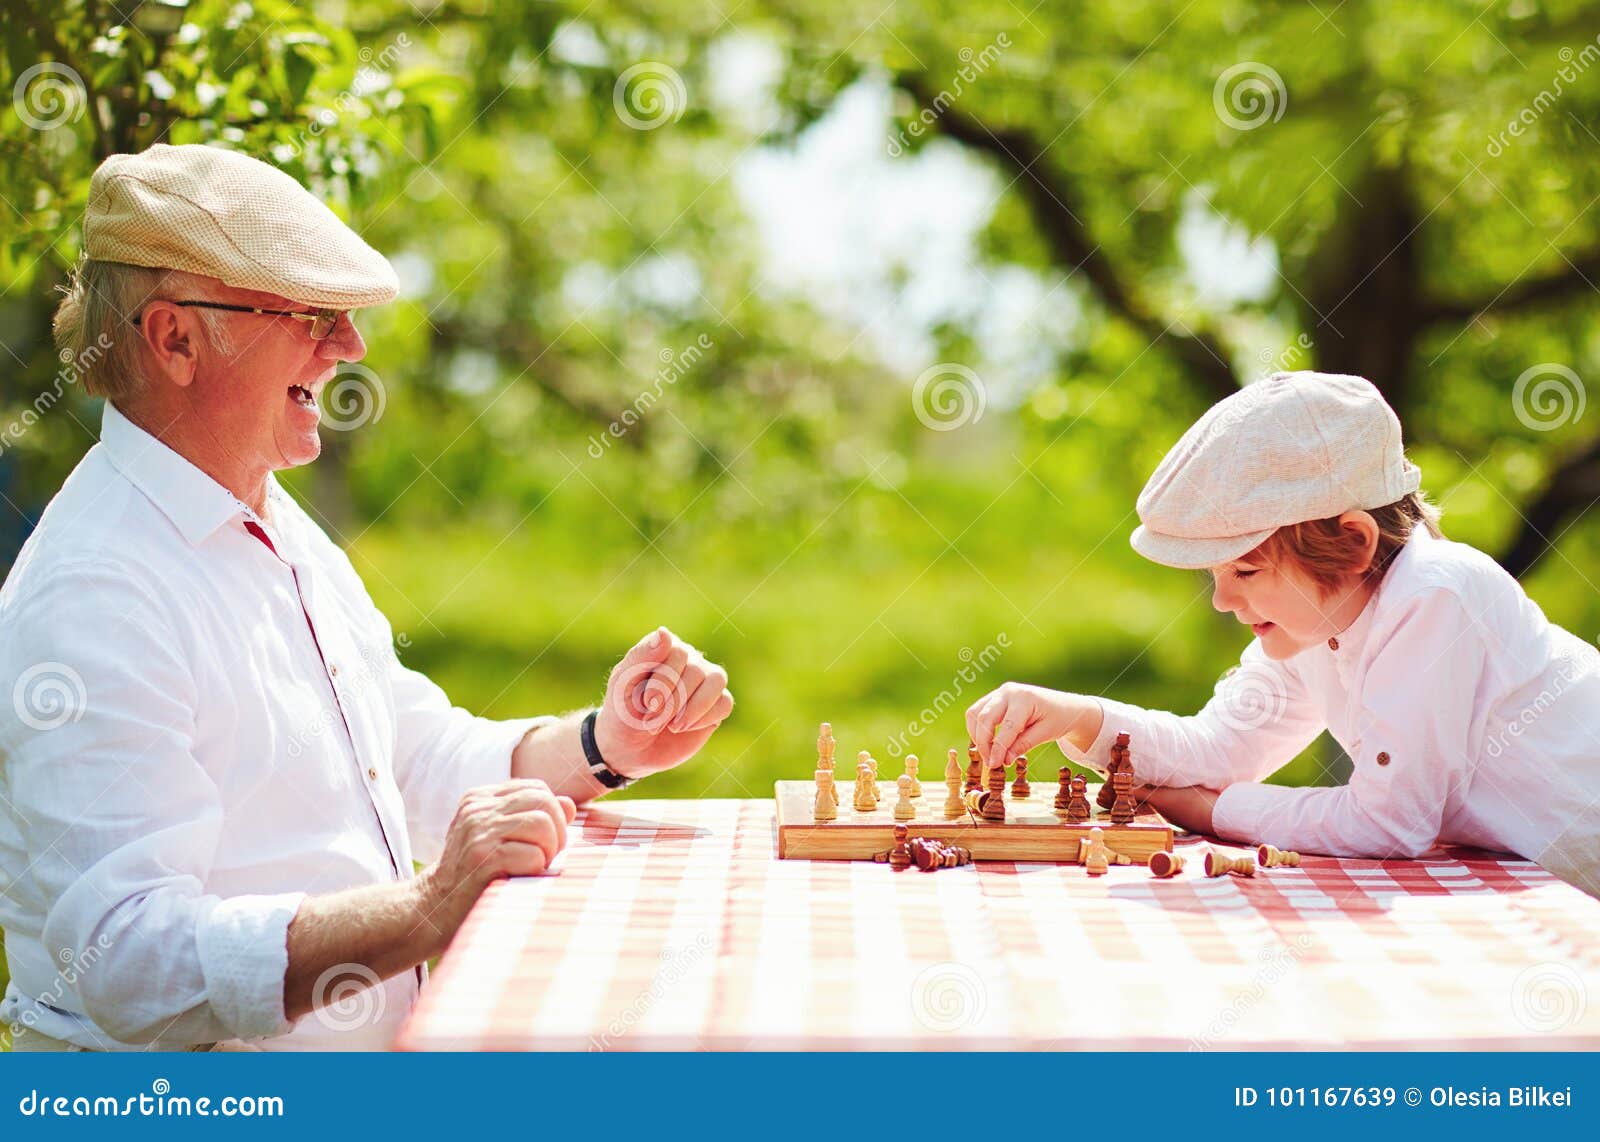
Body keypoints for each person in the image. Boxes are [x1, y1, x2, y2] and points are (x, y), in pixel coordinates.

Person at [0, 144, 734, 1050]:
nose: (348, 344)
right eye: (309, 313)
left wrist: (603, 743)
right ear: (175, 338)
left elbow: (412, 758)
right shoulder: (98, 590)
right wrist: (428, 907)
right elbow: (122, 960)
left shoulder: (267, 518)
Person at [966, 371, 1599, 896]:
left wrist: (1216, 812)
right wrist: (1077, 716)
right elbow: (1217, 748)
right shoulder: (1315, 622)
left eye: (1246, 569)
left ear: (1352, 544)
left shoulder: (1436, 595)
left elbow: (1390, 822)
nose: (1221, 598)